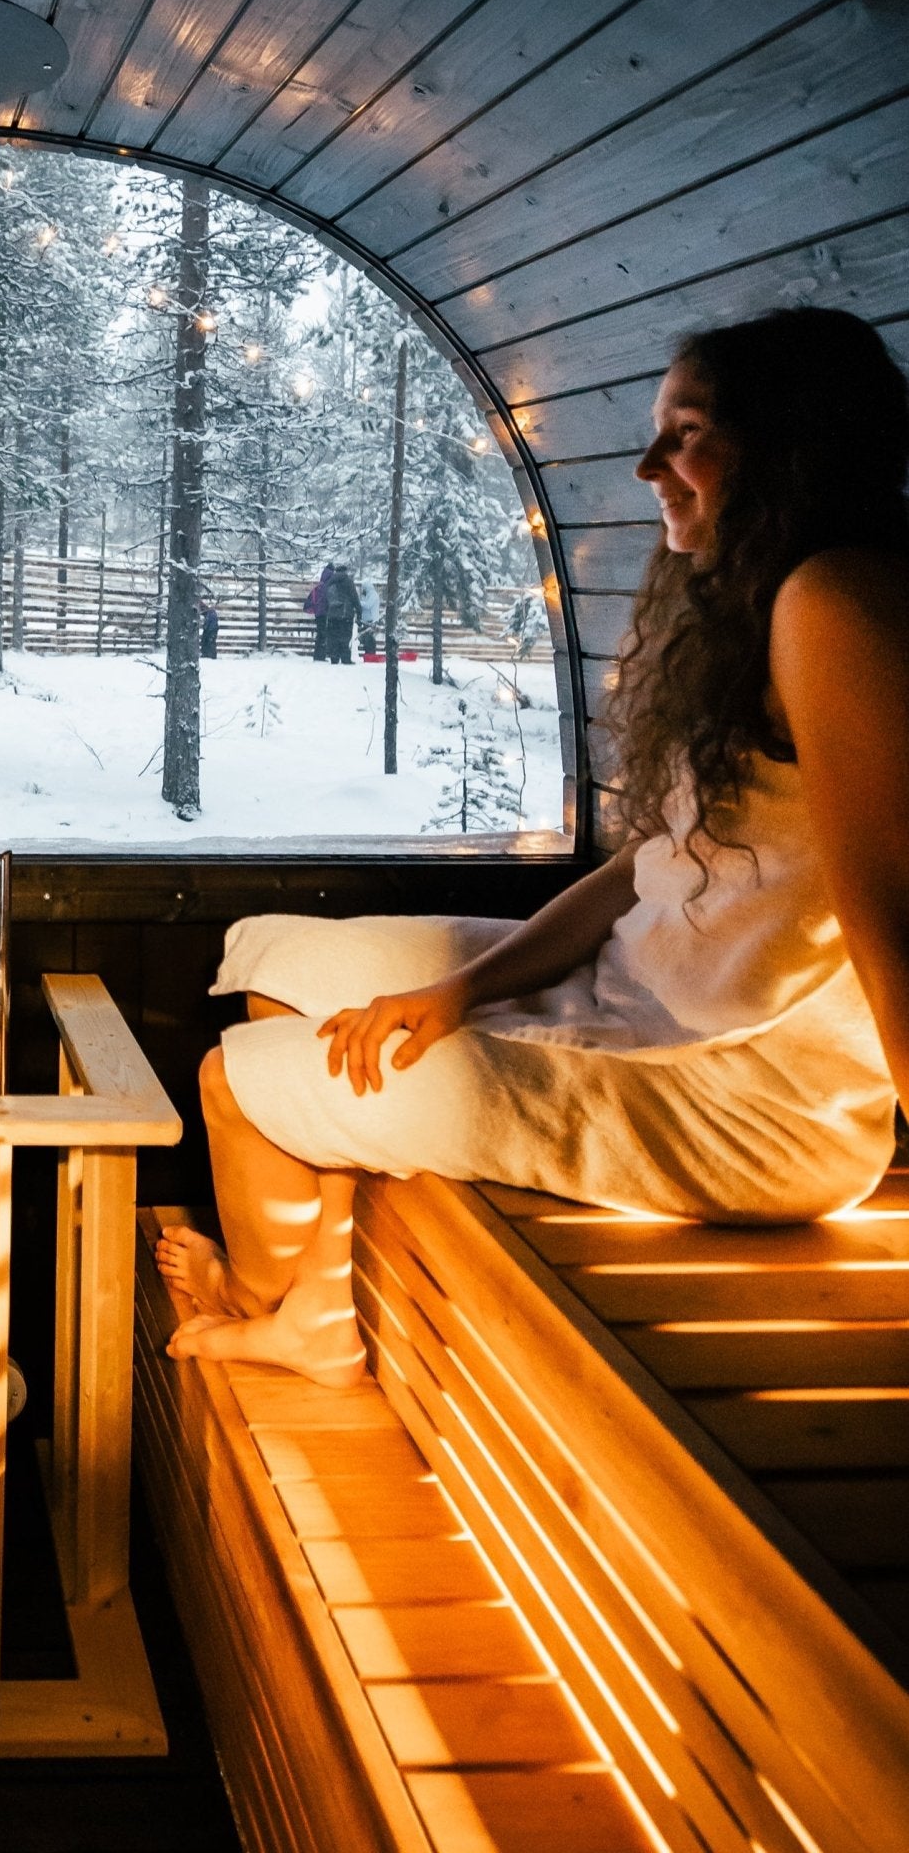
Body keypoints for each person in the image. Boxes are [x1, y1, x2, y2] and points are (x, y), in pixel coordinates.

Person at [157, 307, 909, 1386]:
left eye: (684, 429)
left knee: (235, 1079)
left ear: (791, 443)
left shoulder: (835, 601)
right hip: (633, 991)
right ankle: (317, 1296)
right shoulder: (760, 601)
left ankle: (295, 1319)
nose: (649, 462)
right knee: (272, 962)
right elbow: (648, 866)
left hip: (745, 1096)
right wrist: (461, 990)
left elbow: (893, 912)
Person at [322, 563, 361, 664]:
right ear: (345, 571)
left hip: (332, 615)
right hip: (345, 614)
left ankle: (334, 658)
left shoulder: (330, 582)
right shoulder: (348, 582)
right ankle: (345, 658)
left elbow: (325, 599)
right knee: (345, 636)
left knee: (333, 636)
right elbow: (355, 598)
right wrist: (359, 613)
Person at [304, 563, 334, 660]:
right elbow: (328, 600)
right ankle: (321, 656)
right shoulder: (329, 585)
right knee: (323, 634)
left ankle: (317, 655)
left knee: (320, 634)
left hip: (318, 612)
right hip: (325, 612)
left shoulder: (320, 585)